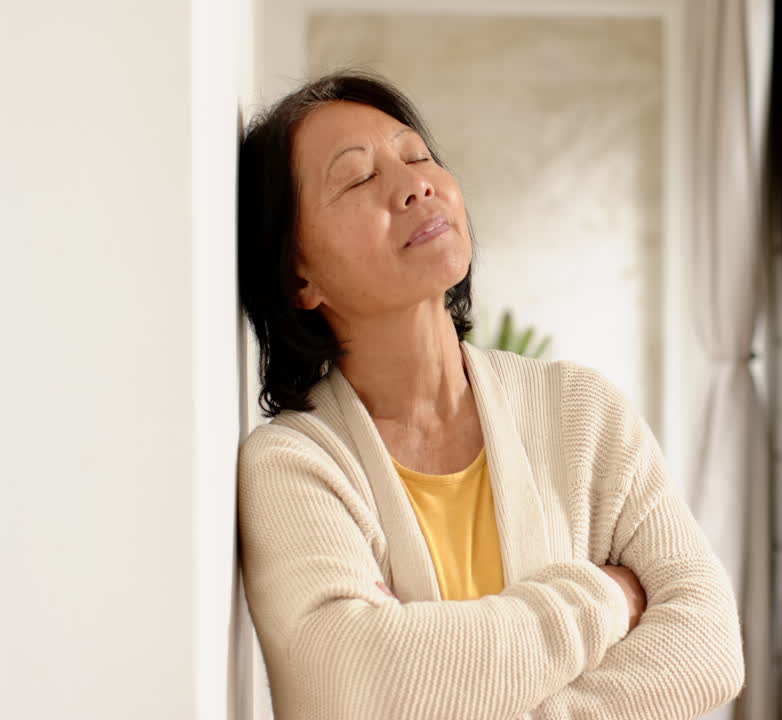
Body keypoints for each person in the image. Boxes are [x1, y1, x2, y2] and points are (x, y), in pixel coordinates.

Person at [236, 70, 745, 720]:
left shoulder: (582, 412)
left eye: (417, 156)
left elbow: (708, 644)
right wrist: (608, 599)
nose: (415, 184)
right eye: (359, 178)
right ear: (298, 274)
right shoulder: (295, 467)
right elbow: (352, 682)